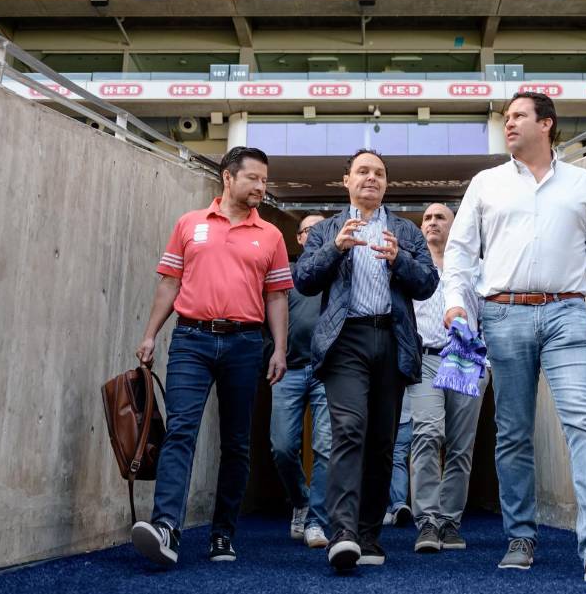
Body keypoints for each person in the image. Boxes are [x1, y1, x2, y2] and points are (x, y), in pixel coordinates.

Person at [442, 92, 586, 580]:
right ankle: (520, 536)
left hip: (568, 314)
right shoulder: (486, 184)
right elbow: (461, 251)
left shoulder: (581, 183)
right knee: (513, 431)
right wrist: (455, 303)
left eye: (518, 116)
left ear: (546, 124)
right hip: (502, 315)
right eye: (506, 118)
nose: (508, 124)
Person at [130, 146, 291, 567]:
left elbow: (276, 296)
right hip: (191, 340)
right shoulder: (190, 224)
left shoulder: (271, 235)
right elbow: (169, 283)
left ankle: (223, 533)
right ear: (228, 177)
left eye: (264, 180)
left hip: (246, 344)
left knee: (236, 442)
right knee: (180, 432)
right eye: (253, 178)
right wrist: (150, 335)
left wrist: (279, 349)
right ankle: (166, 528)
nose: (261, 187)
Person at [294, 149, 439, 571]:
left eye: (378, 173)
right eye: (362, 171)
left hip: (392, 339)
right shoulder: (327, 229)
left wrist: (400, 260)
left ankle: (369, 533)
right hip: (345, 341)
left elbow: (428, 284)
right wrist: (335, 249)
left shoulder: (405, 231)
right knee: (349, 430)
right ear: (347, 181)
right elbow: (304, 280)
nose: (371, 178)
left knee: (381, 441)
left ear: (386, 183)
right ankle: (342, 533)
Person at [407, 203, 489, 554]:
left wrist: (488, 360)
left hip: (466, 359)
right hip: (426, 359)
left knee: (460, 445)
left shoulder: (476, 268)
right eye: (427, 218)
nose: (432, 222)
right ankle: (427, 521)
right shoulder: (411, 268)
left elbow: (491, 314)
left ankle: (450, 522)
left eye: (440, 217)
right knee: (427, 433)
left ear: (454, 227)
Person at [269, 214, 333, 549]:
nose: (317, 234)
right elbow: (266, 315)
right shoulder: (286, 274)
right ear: (299, 238)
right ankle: (302, 500)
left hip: (328, 372)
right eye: (310, 229)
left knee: (326, 448)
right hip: (289, 370)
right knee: (282, 447)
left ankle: (316, 520)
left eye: (323, 229)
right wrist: (271, 353)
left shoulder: (339, 272)